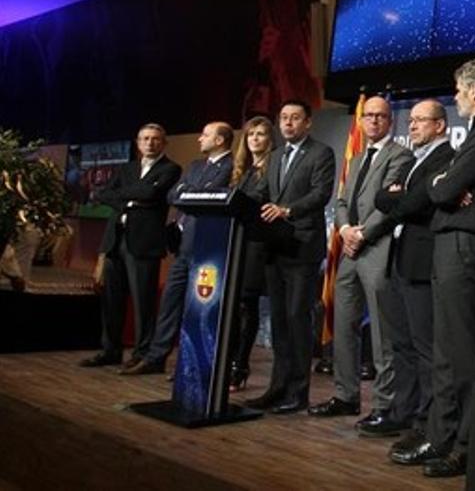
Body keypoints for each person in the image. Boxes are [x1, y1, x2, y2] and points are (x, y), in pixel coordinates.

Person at [391, 58, 475, 478]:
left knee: (460, 353)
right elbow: (444, 185)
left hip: (465, 247)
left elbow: (442, 189)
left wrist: (446, 183)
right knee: (444, 351)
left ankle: (466, 444)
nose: (457, 96)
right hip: (450, 246)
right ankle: (441, 435)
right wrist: (445, 183)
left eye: (460, 90)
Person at [309, 96, 411, 419]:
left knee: (382, 334)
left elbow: (390, 205)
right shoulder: (355, 158)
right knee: (343, 324)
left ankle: (384, 405)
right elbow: (341, 202)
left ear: (389, 121)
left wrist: (362, 234)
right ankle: (345, 396)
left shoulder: (401, 156)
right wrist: (343, 231)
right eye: (368, 116)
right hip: (349, 251)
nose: (374, 121)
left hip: (377, 249)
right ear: (361, 121)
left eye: (380, 116)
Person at [359, 99, 453, 445]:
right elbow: (382, 200)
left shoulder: (446, 158)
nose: (411, 126)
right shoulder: (415, 161)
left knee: (423, 346)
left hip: (421, 263)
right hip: (399, 259)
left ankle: (427, 423)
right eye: (410, 121)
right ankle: (403, 411)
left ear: (440, 125)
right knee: (400, 344)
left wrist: (399, 198)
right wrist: (397, 197)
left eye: (420, 121)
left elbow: (415, 203)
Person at [120, 122, 234, 375]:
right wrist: (194, 192)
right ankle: (155, 357)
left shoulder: (231, 166)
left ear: (219, 140)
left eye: (205, 135)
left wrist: (191, 193)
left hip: (209, 250)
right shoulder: (195, 166)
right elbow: (174, 195)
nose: (199, 139)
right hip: (184, 247)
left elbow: (211, 196)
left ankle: (190, 363)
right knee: (170, 303)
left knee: (199, 309)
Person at [244, 100, 335, 414]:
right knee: (280, 322)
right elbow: (261, 195)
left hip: (302, 248)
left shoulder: (321, 153)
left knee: (298, 319)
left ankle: (298, 393)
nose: (288, 123)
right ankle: (277, 387)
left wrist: (287, 210)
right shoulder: (275, 156)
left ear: (307, 123)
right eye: (283, 118)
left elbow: (320, 194)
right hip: (275, 248)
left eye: (295, 118)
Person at [81, 124, 182, 368]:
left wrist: (126, 196)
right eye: (145, 139)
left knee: (143, 302)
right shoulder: (126, 168)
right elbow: (103, 193)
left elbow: (150, 195)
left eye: (156, 139)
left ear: (164, 143)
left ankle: (142, 353)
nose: (150, 143)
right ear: (138, 143)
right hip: (116, 239)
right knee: (111, 299)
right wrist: (133, 199)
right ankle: (110, 350)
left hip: (144, 243)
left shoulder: (171, 169)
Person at [228, 115, 276, 390]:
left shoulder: (273, 168)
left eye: (261, 134)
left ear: (270, 139)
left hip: (257, 245)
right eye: (251, 134)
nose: (255, 139)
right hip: (235, 243)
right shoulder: (241, 170)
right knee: (233, 306)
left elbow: (258, 203)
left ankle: (240, 365)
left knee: (247, 304)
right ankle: (226, 360)